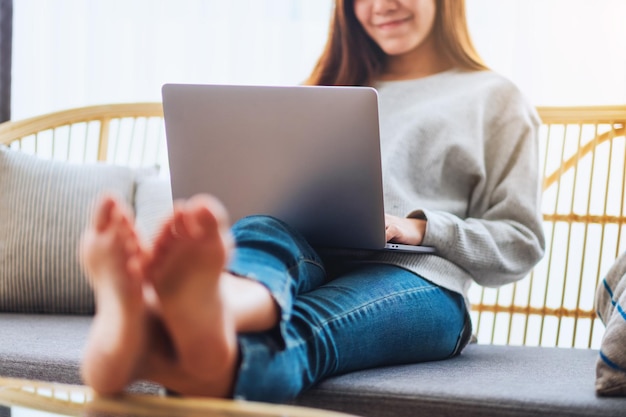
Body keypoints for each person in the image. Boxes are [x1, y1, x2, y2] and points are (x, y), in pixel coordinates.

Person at [79, 0, 545, 403]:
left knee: (309, 328)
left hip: (418, 281)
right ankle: (206, 305)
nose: (379, 6)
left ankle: (156, 326)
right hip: (310, 255)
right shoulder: (326, 87)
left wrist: (419, 227)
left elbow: (520, 242)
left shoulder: (495, 98)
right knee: (263, 226)